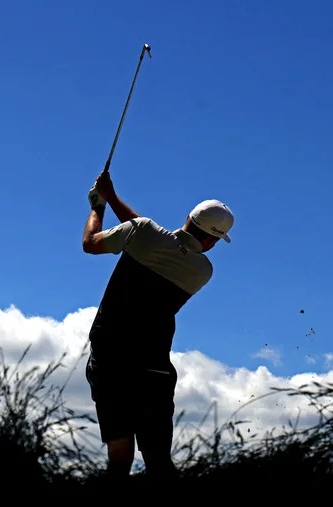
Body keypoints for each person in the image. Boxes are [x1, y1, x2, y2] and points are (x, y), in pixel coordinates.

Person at [82, 170, 234, 481]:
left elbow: (93, 243)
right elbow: (149, 238)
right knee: (158, 463)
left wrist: (98, 206)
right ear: (212, 240)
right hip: (154, 369)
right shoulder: (202, 271)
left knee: (119, 460)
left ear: (187, 218)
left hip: (110, 362)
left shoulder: (143, 232)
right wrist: (111, 199)